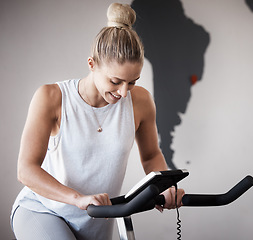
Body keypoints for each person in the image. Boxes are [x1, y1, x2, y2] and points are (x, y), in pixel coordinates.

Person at [10, 3, 184, 240]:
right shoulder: (51, 97)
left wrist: (166, 187)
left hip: (97, 219)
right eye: (115, 81)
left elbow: (151, 155)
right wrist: (77, 199)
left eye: (132, 82)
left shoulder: (140, 101)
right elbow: (26, 169)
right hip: (43, 210)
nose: (124, 92)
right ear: (91, 64)